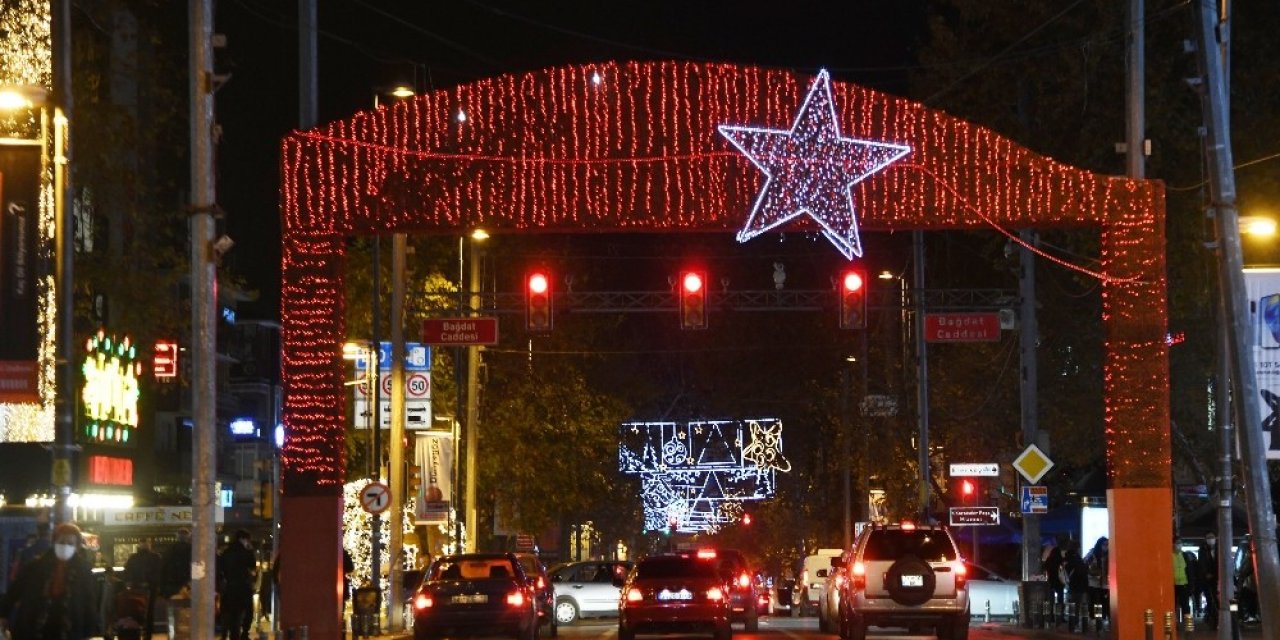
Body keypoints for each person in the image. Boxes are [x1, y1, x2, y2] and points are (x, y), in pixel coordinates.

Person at [0, 522, 102, 639]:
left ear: (77, 546)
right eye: (61, 542)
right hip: (34, 628)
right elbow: (15, 590)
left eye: (70, 543)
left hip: (70, 630)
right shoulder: (36, 566)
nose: (65, 546)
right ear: (54, 542)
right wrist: (3, 614)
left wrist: (88, 631)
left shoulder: (83, 571)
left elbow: (89, 602)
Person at [217, 530, 258, 640]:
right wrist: (250, 550)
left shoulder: (226, 552)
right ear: (243, 539)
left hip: (230, 587)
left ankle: (232, 634)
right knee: (248, 611)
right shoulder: (246, 552)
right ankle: (244, 633)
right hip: (243, 587)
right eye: (247, 540)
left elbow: (221, 570)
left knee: (232, 613)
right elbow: (253, 566)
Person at [123, 537, 163, 637]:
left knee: (136, 610)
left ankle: (136, 631)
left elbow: (127, 572)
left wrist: (131, 582)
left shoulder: (134, 558)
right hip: (150, 588)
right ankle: (147, 632)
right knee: (149, 611)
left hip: (137, 587)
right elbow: (159, 573)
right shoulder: (155, 557)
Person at [1063, 540, 1090, 631]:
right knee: (1078, 605)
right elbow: (1081, 570)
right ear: (1076, 548)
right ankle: (1077, 625)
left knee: (1073, 606)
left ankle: (1072, 625)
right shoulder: (1075, 558)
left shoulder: (1067, 558)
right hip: (1079, 585)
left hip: (1073, 585)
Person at [161, 528, 193, 597]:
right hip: (187, 584)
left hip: (171, 584)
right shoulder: (193, 549)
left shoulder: (169, 549)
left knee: (172, 605)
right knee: (187, 605)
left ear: (177, 536)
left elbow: (163, 567)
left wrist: (163, 586)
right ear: (188, 536)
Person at [1084, 536, 1109, 622]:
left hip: (1105, 583)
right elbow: (1085, 563)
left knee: (1104, 601)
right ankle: (1096, 619)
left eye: (1107, 544)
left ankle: (1102, 618)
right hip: (1093, 582)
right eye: (1104, 544)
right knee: (1096, 601)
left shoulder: (1109, 555)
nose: (1106, 547)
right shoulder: (1093, 553)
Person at [1197, 532, 1220, 628]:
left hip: (1218, 579)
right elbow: (1202, 564)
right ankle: (1213, 621)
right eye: (1208, 537)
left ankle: (1219, 620)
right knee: (1210, 600)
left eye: (1212, 537)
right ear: (1205, 539)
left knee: (1218, 600)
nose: (1210, 539)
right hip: (1207, 580)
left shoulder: (1220, 549)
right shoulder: (1202, 550)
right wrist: (1206, 574)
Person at [1042, 541, 1065, 608]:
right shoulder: (1060, 560)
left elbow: (1045, 568)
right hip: (1059, 582)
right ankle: (1060, 611)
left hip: (1051, 582)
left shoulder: (1049, 560)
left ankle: (1051, 612)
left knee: (1051, 599)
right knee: (1060, 599)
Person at [1172, 541, 1189, 623]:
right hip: (1173, 585)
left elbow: (1189, 570)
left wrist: (1191, 584)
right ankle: (1174, 622)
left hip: (1184, 584)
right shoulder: (1170, 555)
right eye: (1176, 543)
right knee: (1173, 604)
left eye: (1180, 543)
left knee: (1185, 605)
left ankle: (1187, 622)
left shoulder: (1184, 555)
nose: (1178, 545)